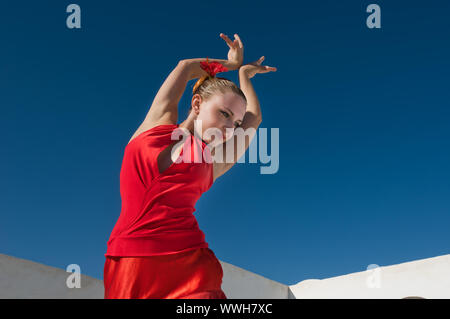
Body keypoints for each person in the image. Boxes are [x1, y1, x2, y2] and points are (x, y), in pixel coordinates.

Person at [103, 33, 277, 299]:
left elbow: (254, 119)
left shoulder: (211, 163)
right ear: (197, 104)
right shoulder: (154, 127)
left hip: (191, 268)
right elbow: (184, 68)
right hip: (127, 263)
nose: (230, 129)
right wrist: (229, 65)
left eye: (235, 124)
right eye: (225, 114)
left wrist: (244, 74)